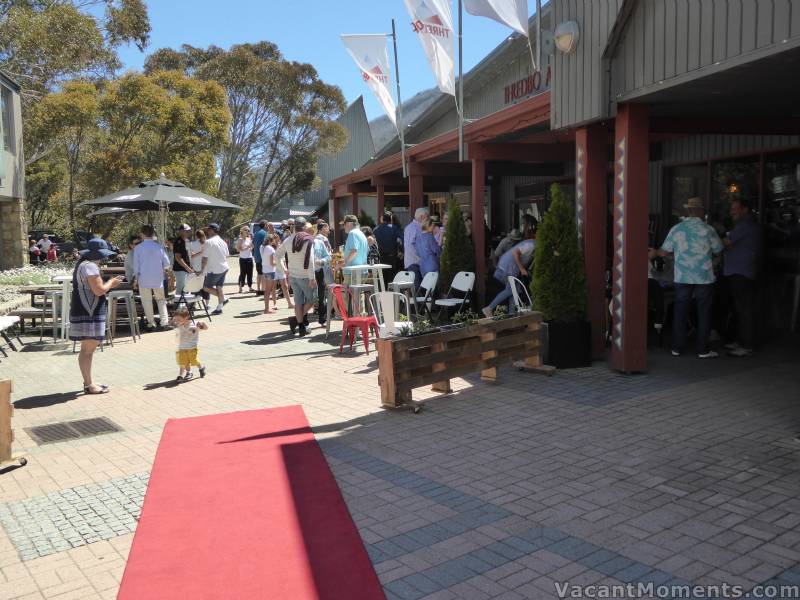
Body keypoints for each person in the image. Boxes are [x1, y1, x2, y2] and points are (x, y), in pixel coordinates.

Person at [650, 197, 724, 359]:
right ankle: (702, 350)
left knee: (680, 311)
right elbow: (719, 250)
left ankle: (677, 347)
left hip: (683, 276)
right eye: (703, 210)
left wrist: (654, 252)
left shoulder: (677, 229)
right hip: (704, 277)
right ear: (699, 211)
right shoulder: (708, 230)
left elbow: (663, 252)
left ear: (689, 211)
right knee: (703, 312)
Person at [69, 238, 124, 394]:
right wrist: (111, 283)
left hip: (83, 309)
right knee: (88, 350)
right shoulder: (91, 266)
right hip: (90, 312)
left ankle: (89, 382)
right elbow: (99, 290)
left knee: (86, 349)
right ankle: (89, 384)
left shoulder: (82, 264)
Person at [723, 198, 762, 357]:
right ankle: (740, 341)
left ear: (745, 209)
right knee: (739, 309)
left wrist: (710, 238)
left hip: (741, 272)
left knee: (744, 310)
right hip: (740, 271)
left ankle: (747, 345)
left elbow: (726, 242)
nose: (731, 211)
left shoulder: (745, 226)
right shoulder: (746, 226)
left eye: (735, 208)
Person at [276, 216, 317, 335]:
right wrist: (312, 277)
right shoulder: (308, 240)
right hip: (305, 276)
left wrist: (284, 270)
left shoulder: (288, 240)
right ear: (304, 227)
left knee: (298, 302)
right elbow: (310, 260)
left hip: (293, 276)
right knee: (313, 299)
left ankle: (300, 325)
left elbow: (277, 256)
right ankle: (297, 321)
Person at [482, 231, 536, 317]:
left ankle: (512, 316)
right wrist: (522, 269)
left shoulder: (533, 246)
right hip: (508, 268)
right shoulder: (531, 245)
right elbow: (515, 252)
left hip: (510, 268)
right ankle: (489, 308)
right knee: (511, 290)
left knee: (515, 291)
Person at [134, 225, 171, 331]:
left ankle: (151, 323)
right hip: (158, 278)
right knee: (161, 300)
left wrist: (136, 279)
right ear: (152, 234)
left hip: (143, 278)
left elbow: (136, 267)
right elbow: (167, 264)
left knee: (147, 301)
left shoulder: (138, 248)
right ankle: (164, 322)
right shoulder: (159, 247)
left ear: (142, 234)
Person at [200, 223, 230, 315]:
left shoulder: (209, 242)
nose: (207, 231)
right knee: (219, 287)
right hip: (224, 267)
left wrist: (201, 271)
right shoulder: (223, 242)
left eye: (208, 229)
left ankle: (224, 298)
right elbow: (227, 255)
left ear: (212, 230)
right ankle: (219, 307)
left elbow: (204, 258)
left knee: (206, 287)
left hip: (215, 269)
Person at [172, 307, 208, 382]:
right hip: (182, 347)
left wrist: (202, 324)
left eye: (179, 319)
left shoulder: (194, 325)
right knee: (183, 362)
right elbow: (173, 324)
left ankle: (201, 367)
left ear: (186, 318)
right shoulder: (179, 326)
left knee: (194, 361)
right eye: (176, 319)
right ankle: (183, 374)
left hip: (192, 347)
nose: (177, 321)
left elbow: (205, 328)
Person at [313, 221, 333, 325]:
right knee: (326, 290)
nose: (329, 230)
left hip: (316, 268)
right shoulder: (323, 239)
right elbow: (329, 252)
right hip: (323, 268)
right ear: (323, 228)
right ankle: (325, 313)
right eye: (327, 228)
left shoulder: (315, 238)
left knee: (319, 291)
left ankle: (319, 310)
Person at [403, 207, 429, 286]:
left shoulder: (409, 227)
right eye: (427, 217)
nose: (428, 219)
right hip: (415, 262)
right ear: (422, 217)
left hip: (411, 262)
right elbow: (411, 245)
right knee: (417, 289)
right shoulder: (416, 228)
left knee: (416, 288)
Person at [343, 214, 369, 285]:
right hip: (363, 271)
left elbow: (354, 251)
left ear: (349, 224)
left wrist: (344, 263)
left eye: (344, 224)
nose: (343, 227)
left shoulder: (352, 233)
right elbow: (367, 251)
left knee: (346, 295)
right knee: (356, 295)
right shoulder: (362, 234)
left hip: (353, 272)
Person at [374, 211, 402, 276]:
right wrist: (402, 251)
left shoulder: (376, 229)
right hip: (392, 257)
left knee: (382, 278)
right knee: (391, 278)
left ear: (382, 219)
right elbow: (403, 238)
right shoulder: (394, 228)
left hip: (380, 258)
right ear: (390, 219)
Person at [172, 224, 194, 298]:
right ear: (181, 231)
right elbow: (178, 258)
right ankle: (179, 307)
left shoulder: (187, 241)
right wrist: (187, 268)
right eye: (187, 231)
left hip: (186, 269)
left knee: (186, 289)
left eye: (189, 231)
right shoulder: (178, 241)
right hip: (180, 269)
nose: (189, 232)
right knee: (180, 289)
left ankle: (184, 306)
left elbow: (188, 255)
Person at [260, 233, 278, 313]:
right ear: (272, 240)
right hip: (270, 271)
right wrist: (279, 262)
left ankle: (267, 308)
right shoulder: (270, 249)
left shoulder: (263, 247)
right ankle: (266, 309)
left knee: (267, 290)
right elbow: (272, 263)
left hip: (265, 270)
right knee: (268, 290)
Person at [236, 225, 255, 294]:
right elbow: (238, 249)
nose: (247, 232)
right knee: (243, 273)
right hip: (243, 259)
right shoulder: (240, 239)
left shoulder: (249, 238)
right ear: (242, 231)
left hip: (249, 258)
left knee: (250, 273)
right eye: (246, 230)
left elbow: (252, 246)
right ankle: (240, 287)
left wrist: (251, 248)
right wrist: (247, 248)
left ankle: (250, 287)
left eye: (248, 231)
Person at [253, 220, 268, 296]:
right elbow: (266, 245)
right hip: (262, 256)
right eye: (267, 224)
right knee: (263, 274)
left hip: (256, 256)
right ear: (265, 225)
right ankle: (263, 289)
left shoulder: (256, 233)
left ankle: (258, 289)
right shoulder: (264, 233)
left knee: (259, 273)